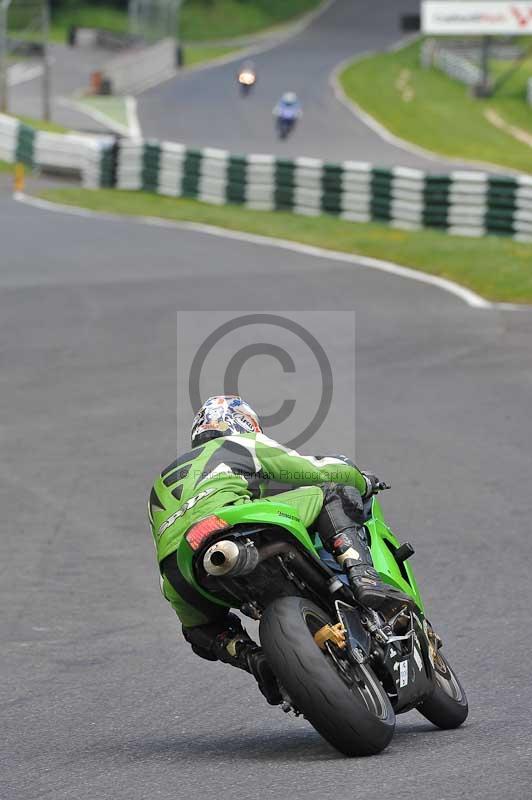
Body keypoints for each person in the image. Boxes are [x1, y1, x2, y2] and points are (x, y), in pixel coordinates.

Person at [148, 395, 413, 704]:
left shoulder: (161, 481)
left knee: (200, 628)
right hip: (231, 524)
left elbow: (163, 539)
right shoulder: (239, 445)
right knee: (330, 492)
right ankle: (362, 574)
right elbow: (315, 470)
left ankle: (251, 658)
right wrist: (361, 480)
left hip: (180, 570)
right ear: (243, 423)